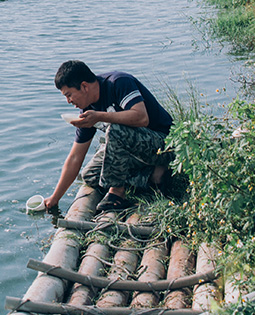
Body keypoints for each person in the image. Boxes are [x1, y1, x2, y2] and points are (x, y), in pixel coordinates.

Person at [43, 60, 173, 214]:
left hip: (164, 145)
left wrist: (100, 116)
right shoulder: (88, 110)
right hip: (136, 154)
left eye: (69, 95)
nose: (69, 101)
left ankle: (117, 194)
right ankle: (152, 175)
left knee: (116, 129)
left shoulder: (118, 83)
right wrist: (55, 198)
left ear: (84, 86)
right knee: (90, 175)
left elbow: (142, 118)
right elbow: (75, 158)